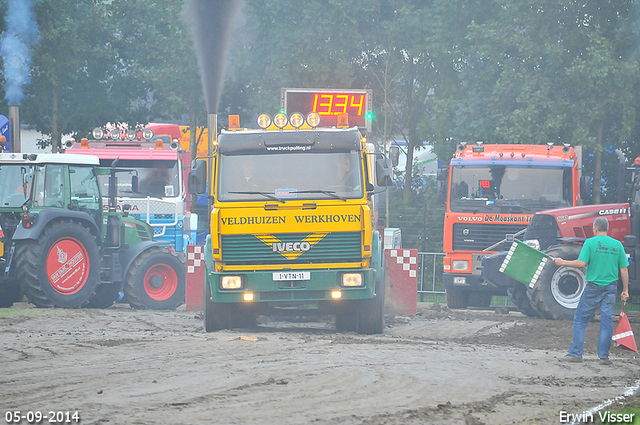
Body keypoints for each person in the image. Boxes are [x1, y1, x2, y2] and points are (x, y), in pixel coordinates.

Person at [552, 216, 629, 365]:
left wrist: (562, 262)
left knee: (581, 319)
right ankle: (604, 356)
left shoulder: (590, 243)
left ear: (595, 229)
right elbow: (624, 269)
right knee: (606, 321)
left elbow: (581, 263)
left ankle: (575, 353)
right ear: (607, 229)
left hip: (593, 287)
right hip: (611, 288)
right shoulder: (617, 245)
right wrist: (625, 290)